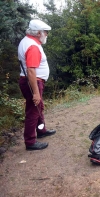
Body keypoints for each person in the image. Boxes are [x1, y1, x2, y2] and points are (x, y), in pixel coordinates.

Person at [18, 19, 56, 151]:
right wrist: (35, 92)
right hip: (33, 82)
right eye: (45, 32)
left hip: (33, 81)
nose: (47, 34)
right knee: (33, 110)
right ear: (38, 32)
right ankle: (30, 142)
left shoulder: (28, 41)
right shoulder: (33, 46)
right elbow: (31, 70)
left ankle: (41, 130)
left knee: (38, 106)